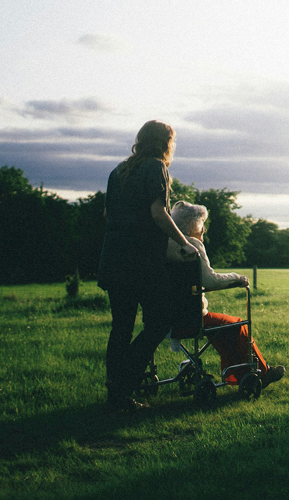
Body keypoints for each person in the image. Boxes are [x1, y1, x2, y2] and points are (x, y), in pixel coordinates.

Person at [97, 121, 198, 411]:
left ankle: (116, 393)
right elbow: (158, 213)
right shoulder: (156, 168)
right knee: (159, 323)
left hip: (113, 259)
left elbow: (108, 213)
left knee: (122, 327)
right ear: (166, 143)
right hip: (140, 263)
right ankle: (123, 383)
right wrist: (184, 243)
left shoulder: (118, 171)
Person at [166, 200, 285, 388]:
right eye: (202, 224)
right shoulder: (192, 245)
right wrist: (237, 278)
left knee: (223, 327)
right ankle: (262, 372)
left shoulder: (166, 244)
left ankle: (237, 375)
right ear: (192, 225)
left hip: (167, 318)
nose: (204, 230)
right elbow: (210, 281)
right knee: (237, 324)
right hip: (192, 318)